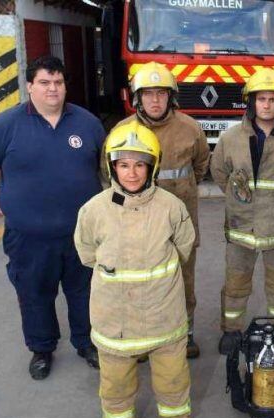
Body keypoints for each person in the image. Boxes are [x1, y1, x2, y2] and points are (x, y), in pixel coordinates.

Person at [0, 55, 104, 380]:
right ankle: (41, 348)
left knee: (84, 291)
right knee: (34, 293)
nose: (53, 89)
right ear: (30, 86)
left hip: (82, 235)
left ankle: (87, 343)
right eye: (45, 82)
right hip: (28, 237)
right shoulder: (5, 126)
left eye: (58, 82)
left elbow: (100, 168)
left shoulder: (88, 123)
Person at [75, 121, 195, 418]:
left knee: (173, 378)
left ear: (152, 167)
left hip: (163, 319)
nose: (132, 173)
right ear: (111, 167)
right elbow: (87, 253)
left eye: (140, 164)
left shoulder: (171, 208)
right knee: (115, 384)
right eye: (123, 165)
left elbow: (184, 247)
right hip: (116, 322)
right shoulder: (94, 211)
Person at [210, 68, 274, 354]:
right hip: (241, 227)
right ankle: (231, 331)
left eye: (273, 99)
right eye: (261, 99)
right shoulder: (231, 139)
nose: (266, 105)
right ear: (251, 102)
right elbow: (219, 172)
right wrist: (238, 199)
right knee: (235, 284)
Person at [112, 62, 210, 358]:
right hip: (137, 227)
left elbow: (200, 166)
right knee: (141, 282)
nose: (155, 100)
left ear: (171, 97)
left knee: (183, 281)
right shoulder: (123, 132)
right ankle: (143, 339)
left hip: (180, 225)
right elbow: (112, 181)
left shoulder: (190, 128)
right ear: (137, 98)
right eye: (148, 94)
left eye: (161, 93)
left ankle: (185, 335)